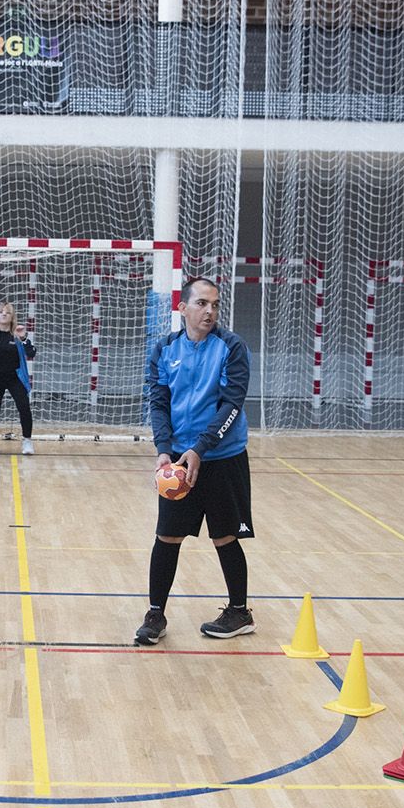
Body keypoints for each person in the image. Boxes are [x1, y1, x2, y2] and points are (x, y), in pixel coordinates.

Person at [135, 277, 257, 646]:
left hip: (222, 457)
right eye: (202, 303)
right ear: (182, 308)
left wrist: (200, 450)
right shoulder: (164, 349)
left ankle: (239, 611)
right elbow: (158, 402)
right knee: (167, 536)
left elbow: (231, 404)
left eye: (215, 305)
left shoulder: (232, 347)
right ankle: (155, 614)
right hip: (178, 459)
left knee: (225, 536)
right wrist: (163, 449)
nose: (210, 311)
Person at [0, 302, 37, 455]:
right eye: (1, 312)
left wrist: (24, 337)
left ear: (12, 317)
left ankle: (27, 442)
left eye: (7, 312)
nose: (4, 314)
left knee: (24, 407)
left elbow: (31, 353)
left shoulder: (17, 336)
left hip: (15, 378)